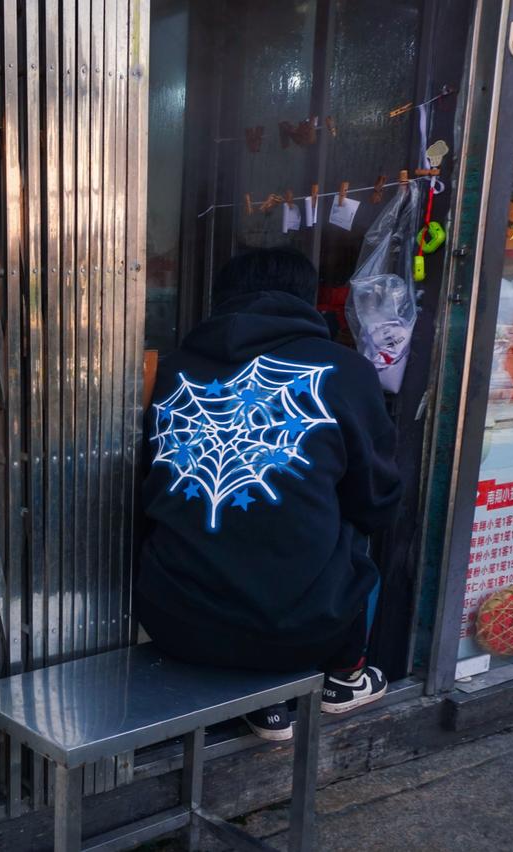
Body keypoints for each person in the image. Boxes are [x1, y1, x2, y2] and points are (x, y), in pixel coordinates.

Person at [137, 248, 402, 741]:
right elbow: (377, 500)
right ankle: (345, 677)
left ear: (220, 300)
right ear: (306, 299)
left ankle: (264, 698)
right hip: (305, 632)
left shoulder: (173, 368)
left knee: (213, 519)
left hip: (173, 622)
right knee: (346, 524)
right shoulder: (346, 370)